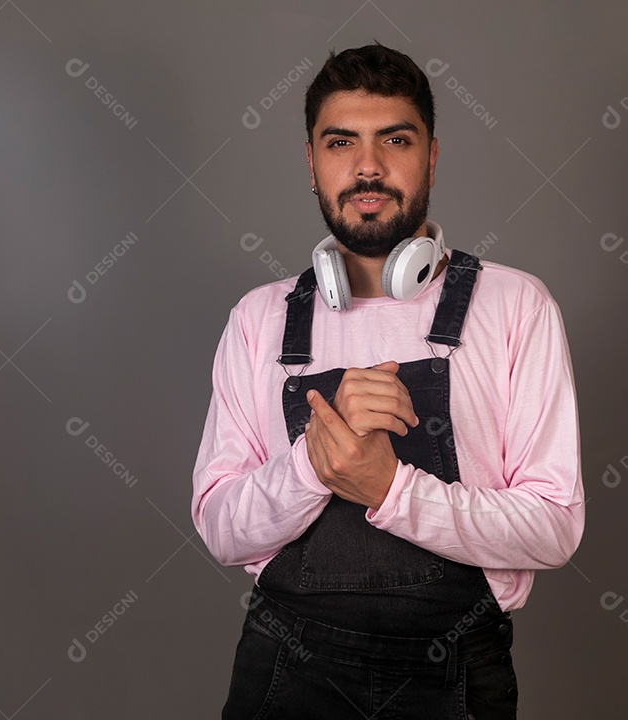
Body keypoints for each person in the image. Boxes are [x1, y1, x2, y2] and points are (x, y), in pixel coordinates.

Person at [192, 42, 585, 720]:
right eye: (341, 142)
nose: (367, 167)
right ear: (311, 164)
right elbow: (222, 530)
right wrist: (315, 465)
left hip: (454, 674)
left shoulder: (517, 307)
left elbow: (552, 528)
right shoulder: (259, 320)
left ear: (431, 156)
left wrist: (391, 489)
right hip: (286, 672)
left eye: (394, 140)